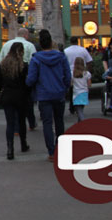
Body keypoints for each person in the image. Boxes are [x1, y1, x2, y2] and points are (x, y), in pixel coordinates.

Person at [26, 29, 71, 161]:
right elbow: (67, 76)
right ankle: (60, 148)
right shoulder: (61, 57)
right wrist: (64, 87)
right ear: (51, 43)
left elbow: (31, 79)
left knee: (47, 123)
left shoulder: (36, 59)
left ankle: (51, 152)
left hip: (44, 94)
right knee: (59, 122)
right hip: (58, 93)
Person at [0, 43, 30, 160]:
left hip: (7, 96)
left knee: (10, 123)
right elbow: (27, 82)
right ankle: (23, 143)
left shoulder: (3, 65)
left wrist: (2, 88)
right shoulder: (23, 66)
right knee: (21, 121)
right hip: (20, 96)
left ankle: (10, 148)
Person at [71, 57, 92, 122]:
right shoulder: (87, 73)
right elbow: (89, 84)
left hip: (76, 93)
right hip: (84, 93)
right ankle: (79, 124)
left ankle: (83, 123)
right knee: (81, 110)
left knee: (79, 111)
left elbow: (71, 84)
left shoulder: (72, 73)